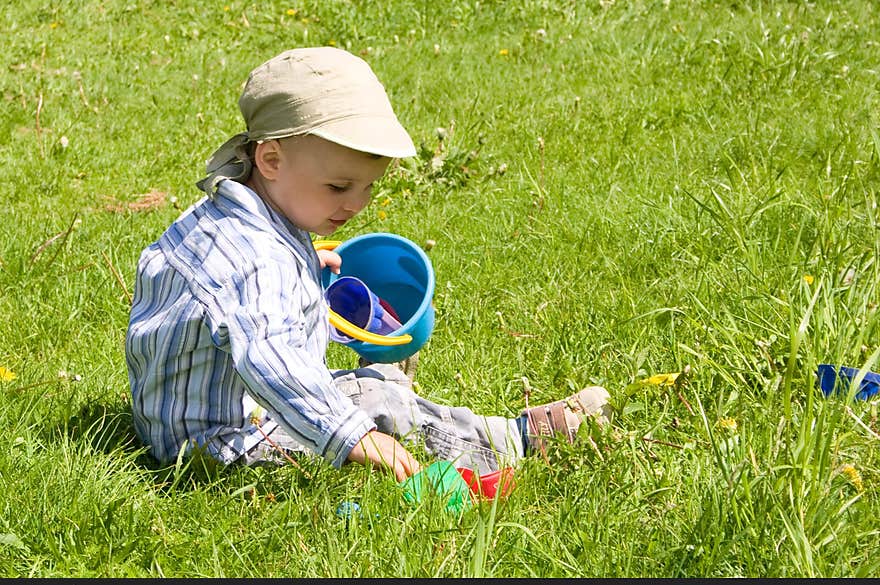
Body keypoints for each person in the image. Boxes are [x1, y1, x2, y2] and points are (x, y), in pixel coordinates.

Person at [125, 47, 611, 483]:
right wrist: (351, 436)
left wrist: (301, 263)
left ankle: (426, 408)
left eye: (369, 187)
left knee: (373, 385)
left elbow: (222, 304)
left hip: (184, 419)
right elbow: (270, 358)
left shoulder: (229, 220)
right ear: (270, 160)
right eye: (339, 187)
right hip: (221, 447)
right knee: (375, 399)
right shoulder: (257, 264)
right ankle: (515, 442)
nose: (356, 204)